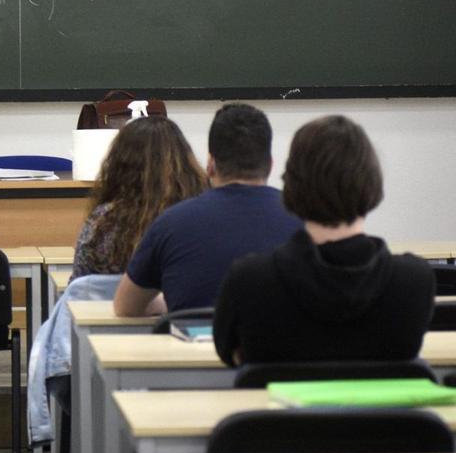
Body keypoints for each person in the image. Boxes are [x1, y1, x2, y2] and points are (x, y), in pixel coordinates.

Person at [213, 115, 434, 367]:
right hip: (383, 409)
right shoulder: (414, 282)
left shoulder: (249, 280)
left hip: (276, 407)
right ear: (372, 181)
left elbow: (229, 354)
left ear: (292, 184)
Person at [113, 103, 302, 316]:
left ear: (210, 164)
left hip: (191, 347)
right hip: (277, 348)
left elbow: (125, 307)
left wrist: (167, 304)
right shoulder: (305, 221)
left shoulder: (171, 223)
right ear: (270, 164)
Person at [70, 116, 208, 282]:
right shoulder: (202, 217)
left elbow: (78, 287)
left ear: (118, 163)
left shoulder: (103, 221)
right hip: (186, 306)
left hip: (113, 307)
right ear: (185, 161)